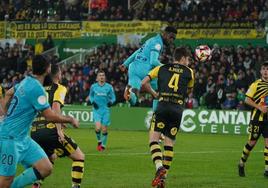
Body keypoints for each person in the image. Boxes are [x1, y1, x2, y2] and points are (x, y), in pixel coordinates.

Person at [0, 55, 79, 188]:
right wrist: (70, 119)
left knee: (45, 168)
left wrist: (6, 114)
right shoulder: (36, 88)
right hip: (10, 138)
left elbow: (8, 93)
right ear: (47, 69)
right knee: (5, 181)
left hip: (23, 138)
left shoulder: (26, 81)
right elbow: (49, 116)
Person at [142, 47, 194, 188]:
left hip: (163, 105)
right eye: (188, 59)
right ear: (182, 58)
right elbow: (189, 90)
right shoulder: (189, 72)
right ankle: (163, 180)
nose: (188, 62)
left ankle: (159, 167)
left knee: (153, 140)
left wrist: (155, 94)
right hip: (177, 109)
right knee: (169, 144)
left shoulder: (161, 68)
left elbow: (143, 83)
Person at [30, 64, 85, 188]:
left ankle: (36, 185)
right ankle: (76, 186)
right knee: (79, 157)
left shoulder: (40, 89)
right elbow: (55, 107)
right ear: (58, 74)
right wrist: (59, 130)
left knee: (51, 158)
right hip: (50, 131)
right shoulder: (59, 88)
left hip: (35, 131)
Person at [120, 26, 177, 108]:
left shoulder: (150, 40)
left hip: (133, 68)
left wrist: (125, 64)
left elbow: (138, 51)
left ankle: (130, 95)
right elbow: (153, 61)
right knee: (161, 88)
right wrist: (168, 68)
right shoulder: (158, 43)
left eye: (173, 39)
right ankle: (156, 114)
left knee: (134, 94)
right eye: (171, 37)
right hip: (145, 69)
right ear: (164, 34)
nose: (171, 40)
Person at [238, 62, 268, 177]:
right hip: (256, 119)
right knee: (251, 143)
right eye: (264, 69)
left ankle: (267, 170)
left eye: (267, 69)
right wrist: (259, 107)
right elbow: (247, 100)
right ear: (260, 71)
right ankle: (241, 163)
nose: (266, 71)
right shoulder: (256, 84)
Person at [86, 70, 116, 151]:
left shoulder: (109, 87)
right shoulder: (93, 87)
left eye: (103, 75)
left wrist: (111, 102)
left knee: (104, 129)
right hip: (97, 110)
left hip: (105, 110)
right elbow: (91, 96)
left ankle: (103, 145)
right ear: (97, 78)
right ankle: (99, 141)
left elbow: (114, 98)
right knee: (98, 128)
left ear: (105, 77)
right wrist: (92, 102)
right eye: (100, 75)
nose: (101, 77)